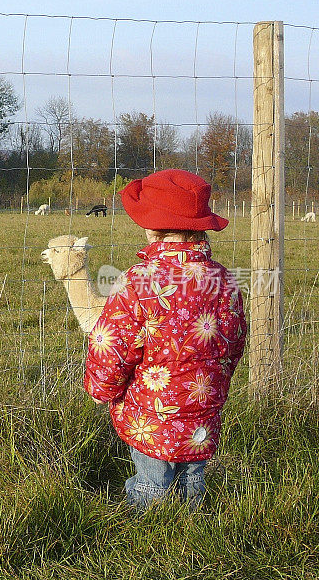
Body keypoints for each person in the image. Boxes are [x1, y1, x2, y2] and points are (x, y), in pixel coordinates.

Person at [84, 169, 247, 511]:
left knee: (150, 483)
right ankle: (190, 528)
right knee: (192, 479)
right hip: (202, 406)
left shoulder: (138, 282)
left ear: (151, 227)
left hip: (151, 415)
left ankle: (148, 533)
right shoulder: (222, 280)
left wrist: (102, 389)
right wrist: (218, 382)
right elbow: (233, 341)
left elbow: (113, 343)